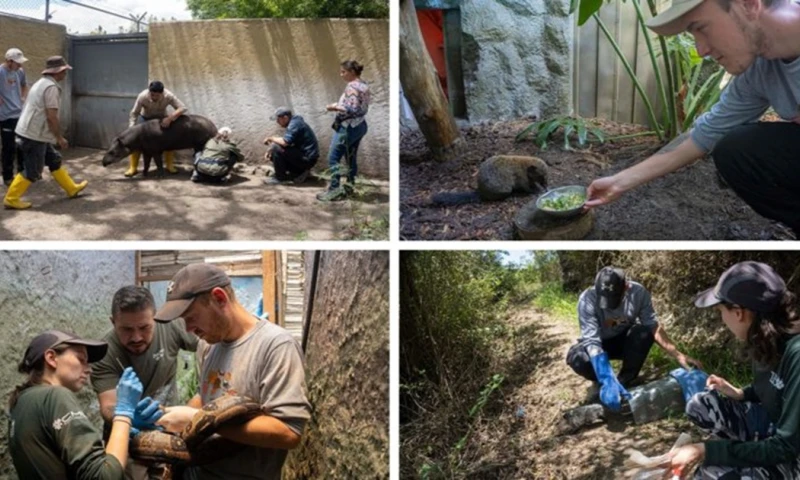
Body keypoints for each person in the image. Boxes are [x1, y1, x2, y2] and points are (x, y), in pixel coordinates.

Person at [585, 0, 800, 235]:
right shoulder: (758, 71)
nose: (700, 50)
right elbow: (702, 135)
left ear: (748, 4)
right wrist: (619, 181)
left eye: (701, 28)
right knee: (736, 150)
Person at [153, 263, 311, 479]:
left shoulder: (276, 346)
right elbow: (207, 395)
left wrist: (199, 422)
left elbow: (288, 433)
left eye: (191, 317)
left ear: (219, 298)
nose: (188, 329)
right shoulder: (207, 345)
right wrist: (170, 417)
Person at [667, 261, 800, 479]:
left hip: (792, 451)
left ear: (739, 313)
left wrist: (705, 451)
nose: (722, 319)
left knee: (713, 473)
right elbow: (776, 386)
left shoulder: (796, 354)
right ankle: (750, 451)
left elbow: (786, 446)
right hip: (776, 428)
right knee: (701, 406)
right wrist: (741, 393)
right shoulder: (767, 338)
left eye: (721, 310)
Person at [8, 329, 160, 479]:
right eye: (81, 360)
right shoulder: (55, 395)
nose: (89, 370)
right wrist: (124, 413)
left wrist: (124, 430)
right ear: (51, 358)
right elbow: (106, 476)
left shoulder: (21, 402)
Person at [91, 286, 199, 480]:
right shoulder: (105, 352)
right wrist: (128, 414)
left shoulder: (171, 325)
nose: (136, 337)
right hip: (127, 441)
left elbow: (208, 345)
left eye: (144, 327)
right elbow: (107, 406)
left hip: (169, 430)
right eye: (126, 329)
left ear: (155, 318)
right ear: (113, 322)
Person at [566, 266, 702, 411]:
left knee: (643, 333)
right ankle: (603, 384)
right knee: (578, 359)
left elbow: (653, 326)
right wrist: (606, 377)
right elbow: (592, 341)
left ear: (626, 287)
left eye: (614, 299)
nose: (609, 305)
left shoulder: (638, 293)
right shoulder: (587, 299)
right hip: (599, 343)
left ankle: (625, 380)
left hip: (623, 340)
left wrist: (678, 355)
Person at [5, 56, 87, 210]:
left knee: (54, 160)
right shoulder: (51, 88)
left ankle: (71, 188)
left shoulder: (41, 83)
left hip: (33, 132)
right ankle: (11, 198)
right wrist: (59, 137)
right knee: (33, 170)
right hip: (33, 134)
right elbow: (51, 117)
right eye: (64, 70)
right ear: (58, 71)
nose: (65, 73)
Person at [317, 60, 371, 202]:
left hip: (348, 128)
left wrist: (333, 107)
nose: (341, 74)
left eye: (343, 71)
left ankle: (334, 190)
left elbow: (351, 109)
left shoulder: (352, 87)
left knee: (333, 158)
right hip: (360, 126)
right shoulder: (363, 85)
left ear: (352, 72)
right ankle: (349, 188)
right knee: (350, 157)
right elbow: (359, 107)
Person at [125, 81, 188, 177]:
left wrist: (170, 118)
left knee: (168, 141)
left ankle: (169, 165)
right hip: (145, 118)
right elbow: (134, 113)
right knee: (135, 142)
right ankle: (133, 167)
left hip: (161, 119)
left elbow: (183, 108)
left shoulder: (168, 95)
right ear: (149, 92)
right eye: (152, 95)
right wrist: (132, 128)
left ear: (162, 93)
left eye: (157, 96)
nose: (154, 97)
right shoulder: (142, 96)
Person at [263, 107, 319, 185]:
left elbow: (285, 142)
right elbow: (286, 141)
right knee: (274, 149)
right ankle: (298, 173)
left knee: (276, 148)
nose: (277, 122)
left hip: (307, 159)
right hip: (305, 157)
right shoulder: (295, 122)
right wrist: (271, 147)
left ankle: (281, 179)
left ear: (285, 118)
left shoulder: (294, 124)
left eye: (278, 119)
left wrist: (271, 138)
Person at [0, 48, 29, 185]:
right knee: (9, 147)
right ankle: (7, 176)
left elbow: (24, 85)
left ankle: (22, 174)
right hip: (5, 116)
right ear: (9, 61)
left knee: (22, 145)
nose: (20, 65)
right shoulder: (1, 72)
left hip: (19, 114)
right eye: (17, 63)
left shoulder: (20, 72)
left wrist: (23, 97)